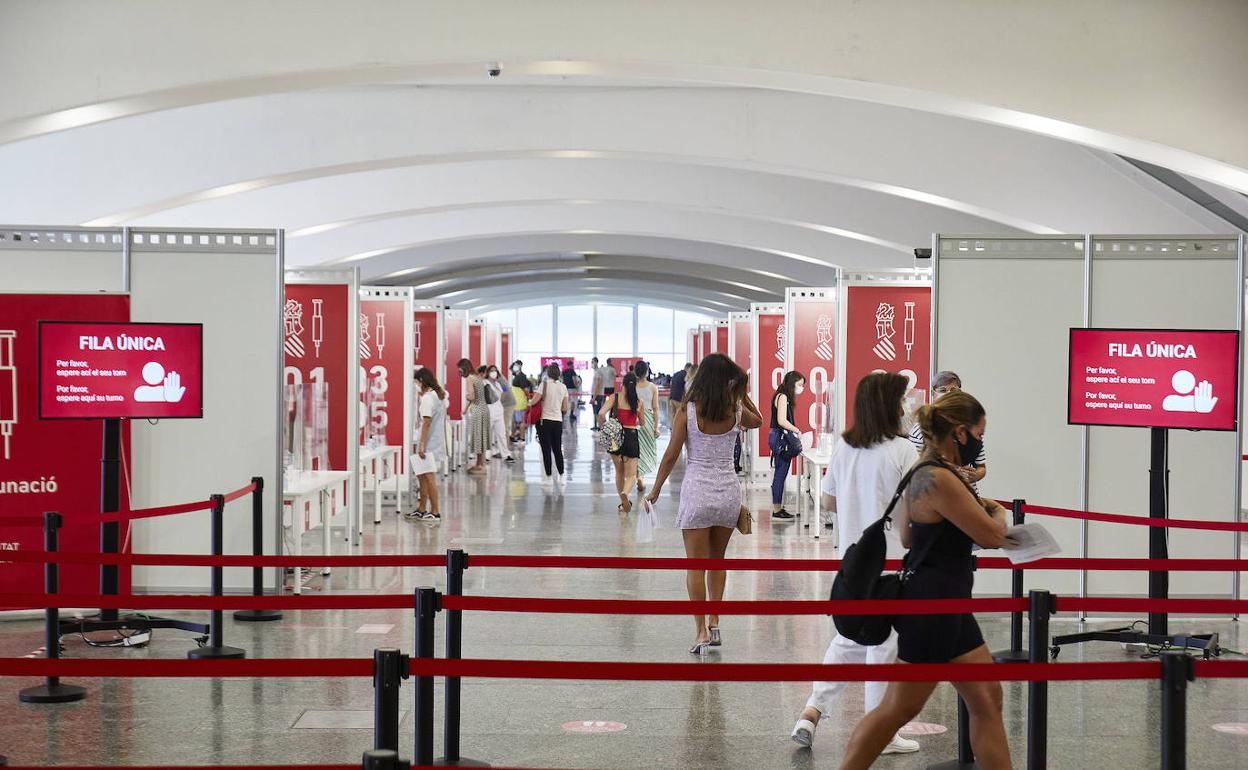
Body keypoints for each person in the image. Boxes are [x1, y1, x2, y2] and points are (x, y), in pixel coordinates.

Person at [835, 390, 1011, 770]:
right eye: (980, 433)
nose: (981, 442)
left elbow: (907, 538)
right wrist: (996, 511)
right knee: (898, 708)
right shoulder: (940, 478)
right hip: (933, 606)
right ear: (961, 433)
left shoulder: (921, 471)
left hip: (949, 604)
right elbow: (992, 536)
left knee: (986, 698)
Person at [790, 372, 919, 754]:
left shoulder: (846, 446)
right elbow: (913, 512)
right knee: (882, 646)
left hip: (851, 559)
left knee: (847, 638)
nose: (905, 407)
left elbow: (827, 502)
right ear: (888, 406)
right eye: (901, 401)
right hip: (889, 561)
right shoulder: (903, 451)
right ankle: (880, 733)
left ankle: (811, 712)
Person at [646, 353, 763, 656]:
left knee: (695, 567)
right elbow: (759, 420)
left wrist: (656, 489)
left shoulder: (688, 411)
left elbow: (671, 455)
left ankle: (700, 632)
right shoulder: (736, 410)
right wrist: (742, 393)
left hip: (697, 492)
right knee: (717, 562)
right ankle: (714, 620)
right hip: (727, 493)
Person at [908, 371, 987, 490]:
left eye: (953, 390)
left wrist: (974, 475)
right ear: (933, 394)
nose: (949, 394)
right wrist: (950, 472)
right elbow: (914, 471)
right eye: (943, 390)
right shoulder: (921, 429)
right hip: (938, 497)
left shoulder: (970, 425)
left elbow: (981, 466)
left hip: (969, 496)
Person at [599, 372, 646, 512]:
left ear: (623, 384)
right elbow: (642, 423)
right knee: (631, 475)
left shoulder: (615, 397)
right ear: (635, 385)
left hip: (615, 437)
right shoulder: (638, 402)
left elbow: (601, 414)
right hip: (631, 436)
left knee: (619, 472)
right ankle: (626, 492)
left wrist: (605, 427)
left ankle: (622, 500)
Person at [405, 367, 447, 522]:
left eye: (416, 382)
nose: (415, 385)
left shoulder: (428, 398)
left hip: (429, 444)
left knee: (429, 477)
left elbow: (427, 423)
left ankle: (435, 511)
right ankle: (422, 508)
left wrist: (421, 445)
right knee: (422, 476)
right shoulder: (438, 395)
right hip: (434, 441)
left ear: (421, 381)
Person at [769, 371, 805, 520]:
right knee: (780, 474)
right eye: (799, 385)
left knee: (780, 473)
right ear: (792, 383)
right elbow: (782, 420)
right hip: (781, 439)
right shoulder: (783, 397)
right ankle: (777, 510)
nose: (801, 388)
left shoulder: (780, 395)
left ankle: (778, 507)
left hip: (778, 437)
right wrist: (797, 430)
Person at [532, 362, 570, 483]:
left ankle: (548, 477)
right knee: (557, 449)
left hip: (544, 421)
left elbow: (534, 401)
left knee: (546, 449)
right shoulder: (563, 387)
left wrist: (529, 403)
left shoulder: (543, 385)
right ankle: (562, 475)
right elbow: (565, 408)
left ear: (547, 373)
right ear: (559, 374)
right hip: (557, 421)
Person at [458, 358, 490, 475]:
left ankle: (481, 465)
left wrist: (467, 396)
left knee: (478, 437)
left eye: (460, 369)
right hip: (483, 408)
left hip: (477, 409)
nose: (459, 372)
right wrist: (466, 408)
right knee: (481, 437)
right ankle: (480, 464)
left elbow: (471, 396)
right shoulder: (477, 377)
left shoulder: (470, 379)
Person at [632, 361, 660, 492]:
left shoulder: (631, 386)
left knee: (636, 449)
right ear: (647, 371)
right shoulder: (653, 387)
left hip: (634, 420)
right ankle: (641, 477)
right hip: (648, 420)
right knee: (645, 449)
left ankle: (639, 476)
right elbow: (655, 408)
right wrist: (656, 427)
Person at [482, 365, 514, 463]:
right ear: (488, 372)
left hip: (499, 412)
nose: (493, 372)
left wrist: (502, 384)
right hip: (489, 412)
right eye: (491, 371)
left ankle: (506, 454)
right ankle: (487, 455)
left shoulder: (499, 384)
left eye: (495, 371)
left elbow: (505, 391)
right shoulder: (484, 383)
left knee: (502, 434)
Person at [589, 357, 604, 429]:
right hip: (595, 394)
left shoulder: (598, 372)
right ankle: (596, 426)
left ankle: (600, 427)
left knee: (597, 411)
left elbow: (598, 385)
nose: (591, 364)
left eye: (592, 362)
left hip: (597, 395)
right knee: (595, 411)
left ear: (596, 362)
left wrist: (594, 397)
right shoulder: (596, 371)